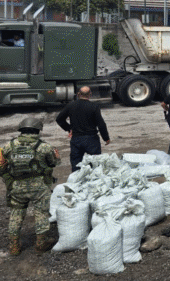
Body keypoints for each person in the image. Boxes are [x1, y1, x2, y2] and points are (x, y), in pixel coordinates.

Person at [0, 117, 60, 255]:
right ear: (38, 130)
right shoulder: (44, 147)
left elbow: (2, 165)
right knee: (41, 213)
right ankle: (41, 244)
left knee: (16, 214)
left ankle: (14, 247)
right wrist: (57, 158)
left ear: (21, 129)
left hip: (16, 187)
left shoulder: (9, 146)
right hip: (39, 187)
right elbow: (53, 163)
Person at [55, 86, 110, 170]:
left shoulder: (71, 105)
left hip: (76, 139)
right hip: (92, 139)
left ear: (78, 94)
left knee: (76, 164)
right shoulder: (94, 106)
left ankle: (76, 180)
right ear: (90, 94)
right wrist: (106, 138)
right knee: (95, 164)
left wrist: (69, 129)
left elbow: (59, 119)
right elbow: (101, 124)